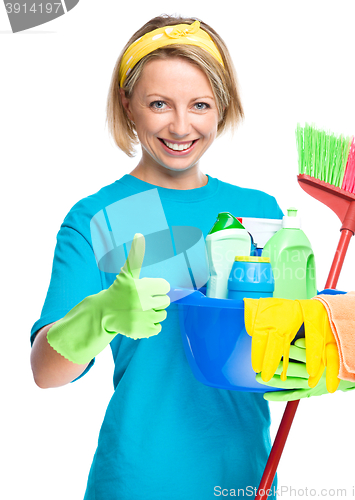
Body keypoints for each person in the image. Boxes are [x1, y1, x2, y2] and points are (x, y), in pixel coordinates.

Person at [30, 14, 284, 499]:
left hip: (242, 480)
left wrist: (322, 346)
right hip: (136, 481)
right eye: (159, 104)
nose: (181, 126)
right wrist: (99, 315)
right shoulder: (98, 217)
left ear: (221, 108)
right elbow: (45, 371)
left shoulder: (260, 215)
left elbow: (286, 346)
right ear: (128, 106)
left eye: (200, 105)